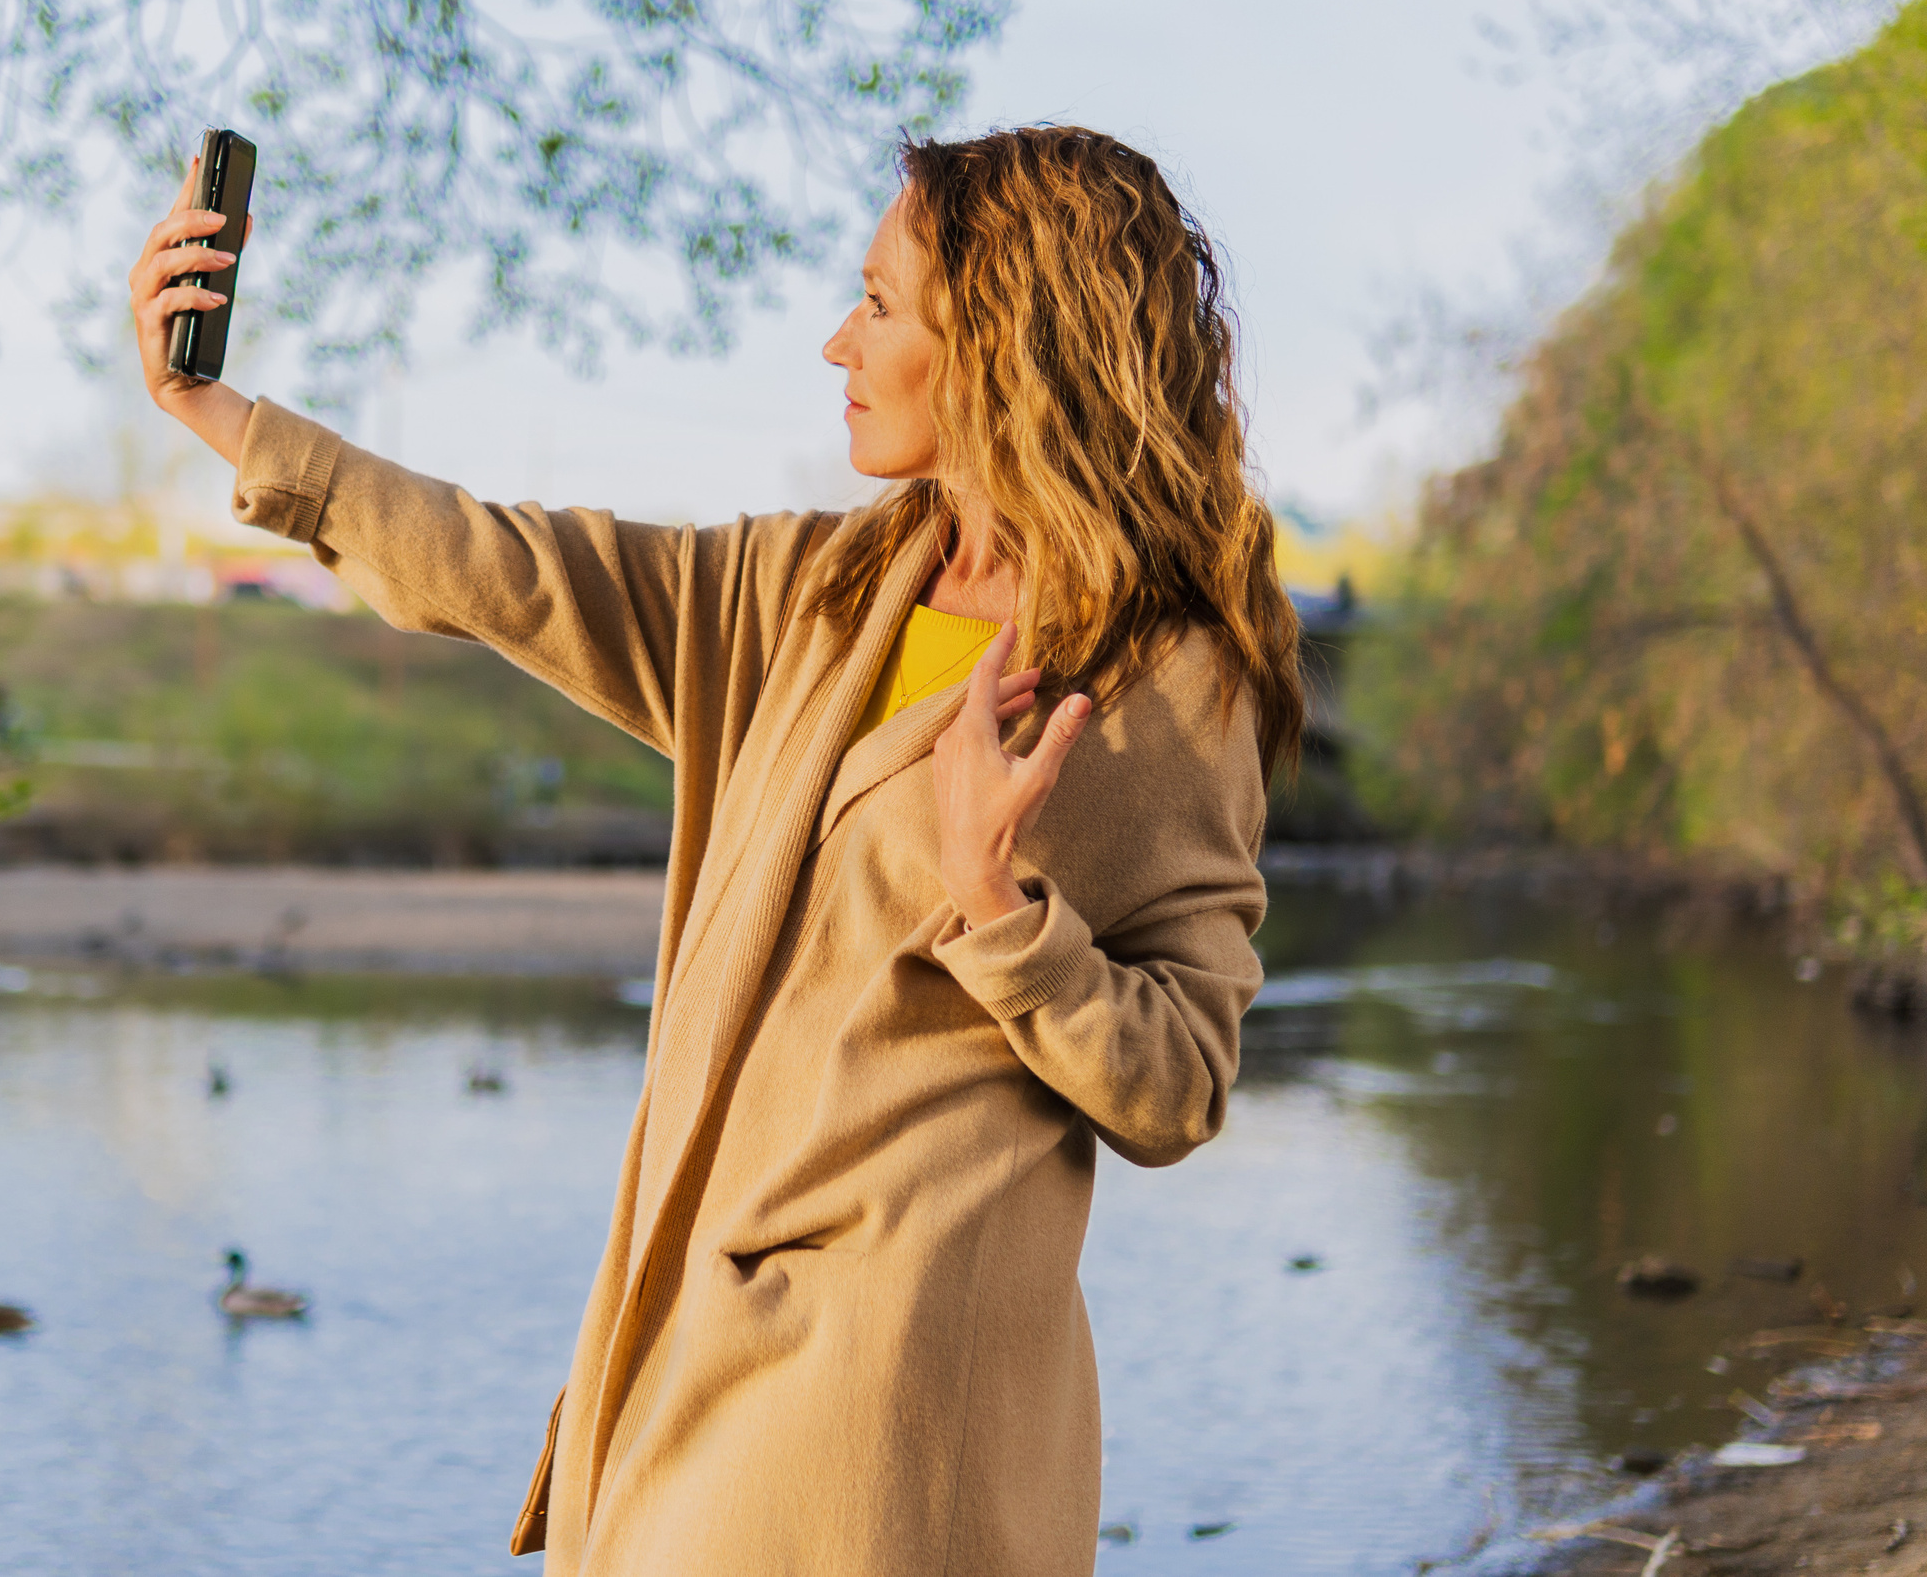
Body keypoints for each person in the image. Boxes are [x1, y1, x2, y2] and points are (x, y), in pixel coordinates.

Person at [126, 125, 1303, 1577]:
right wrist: (217, 412)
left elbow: (1178, 1087)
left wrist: (1004, 908)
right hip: (678, 1344)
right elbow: (507, 565)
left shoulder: (1164, 683)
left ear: (1003, 341)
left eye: (879, 304)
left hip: (877, 1408)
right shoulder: (809, 589)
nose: (837, 341)